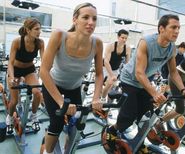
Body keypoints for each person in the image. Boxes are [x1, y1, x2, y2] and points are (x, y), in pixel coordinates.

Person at [105, 14, 185, 153]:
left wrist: (183, 90)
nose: (177, 31)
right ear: (161, 28)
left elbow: (173, 72)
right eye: (173, 27)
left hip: (146, 81)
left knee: (146, 117)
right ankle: (112, 130)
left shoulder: (171, 48)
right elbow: (139, 73)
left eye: (179, 28)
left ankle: (138, 142)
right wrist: (155, 93)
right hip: (130, 80)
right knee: (128, 116)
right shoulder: (146, 42)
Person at [39, 3, 103, 154]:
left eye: (94, 19)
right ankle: (47, 151)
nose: (91, 22)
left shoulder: (97, 43)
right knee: (57, 122)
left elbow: (100, 74)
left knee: (76, 124)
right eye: (86, 17)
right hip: (53, 86)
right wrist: (61, 101)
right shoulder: (60, 35)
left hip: (74, 89)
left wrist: (96, 98)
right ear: (75, 19)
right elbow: (43, 71)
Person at [6, 18, 44, 134]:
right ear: (28, 30)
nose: (39, 31)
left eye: (40, 29)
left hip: (29, 70)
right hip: (15, 70)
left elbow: (44, 62)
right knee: (14, 101)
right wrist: (12, 77)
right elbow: (11, 63)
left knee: (37, 93)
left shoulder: (40, 42)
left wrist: (43, 76)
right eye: (36, 29)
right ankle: (10, 118)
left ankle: (33, 116)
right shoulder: (17, 41)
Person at [101, 29, 131, 102]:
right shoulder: (110, 46)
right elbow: (106, 62)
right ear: (118, 37)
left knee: (113, 87)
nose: (124, 40)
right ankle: (102, 100)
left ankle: (108, 105)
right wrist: (111, 75)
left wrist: (128, 74)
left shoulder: (127, 48)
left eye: (126, 38)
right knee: (109, 84)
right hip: (105, 67)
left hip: (116, 69)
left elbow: (127, 63)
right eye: (122, 38)